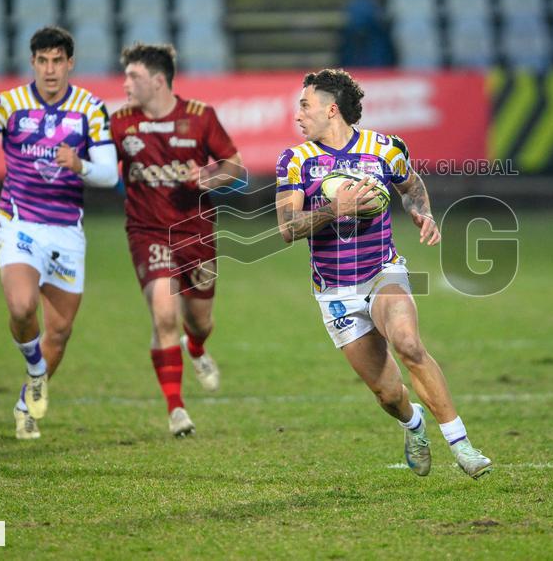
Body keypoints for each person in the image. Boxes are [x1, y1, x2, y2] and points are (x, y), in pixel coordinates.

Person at [275, 69, 492, 479]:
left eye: (305, 105)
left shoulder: (385, 148)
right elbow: (287, 228)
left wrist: (421, 212)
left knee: (409, 344)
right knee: (389, 394)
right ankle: (413, 425)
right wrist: (333, 210)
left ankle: (462, 445)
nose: (298, 114)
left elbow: (411, 184)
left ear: (331, 109)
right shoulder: (296, 160)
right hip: (335, 290)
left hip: (382, 271)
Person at [0, 26, 119, 440]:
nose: (50, 69)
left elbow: (110, 172)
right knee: (23, 307)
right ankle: (34, 365)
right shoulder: (9, 104)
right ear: (33, 63)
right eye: (42, 61)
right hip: (18, 223)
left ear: (70, 63)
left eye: (57, 61)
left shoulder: (90, 109)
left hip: (66, 232)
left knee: (59, 333)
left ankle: (27, 401)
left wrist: (78, 165)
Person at [111, 43, 243, 437]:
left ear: (158, 80)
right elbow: (99, 165)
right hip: (147, 231)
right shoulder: (118, 122)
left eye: (132, 76)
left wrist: (205, 178)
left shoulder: (200, 117)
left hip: (196, 233)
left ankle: (197, 348)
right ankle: (176, 410)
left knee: (199, 322)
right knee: (164, 314)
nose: (125, 84)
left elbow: (234, 166)